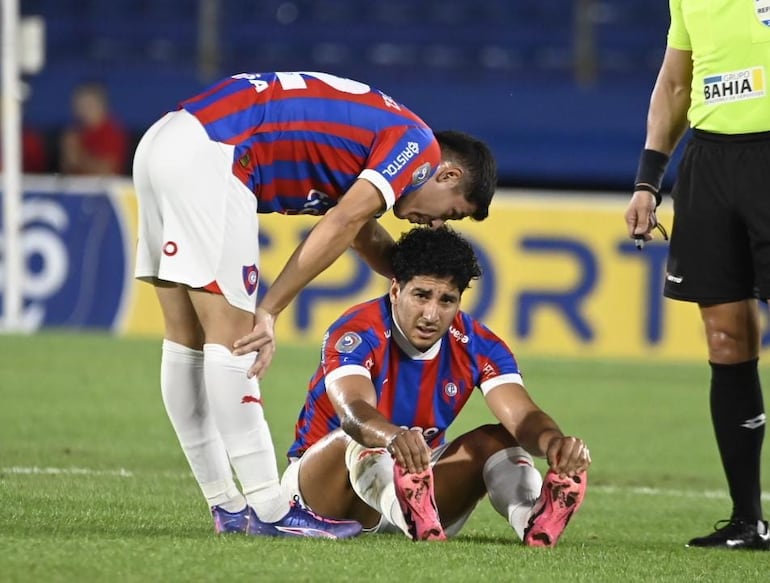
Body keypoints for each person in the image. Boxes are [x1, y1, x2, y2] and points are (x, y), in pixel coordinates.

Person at [132, 71, 497, 536]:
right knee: (235, 339)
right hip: (217, 156)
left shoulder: (378, 140)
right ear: (447, 174)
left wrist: (412, 278)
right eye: (450, 212)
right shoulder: (418, 147)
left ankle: (226, 505)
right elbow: (344, 221)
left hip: (166, 142)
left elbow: (360, 227)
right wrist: (270, 309)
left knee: (187, 339)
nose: (437, 225)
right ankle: (269, 509)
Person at [280, 226, 590, 545]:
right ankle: (413, 518)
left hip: (418, 484)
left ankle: (532, 519)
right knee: (359, 436)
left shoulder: (479, 345)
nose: (432, 314)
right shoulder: (358, 331)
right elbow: (354, 412)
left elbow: (523, 417)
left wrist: (554, 444)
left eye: (446, 300)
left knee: (500, 438)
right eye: (422, 295)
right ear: (396, 290)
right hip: (323, 495)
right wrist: (393, 436)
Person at [624, 1, 770, 550]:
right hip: (710, 164)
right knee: (726, 337)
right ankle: (746, 520)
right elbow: (675, 83)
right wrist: (647, 180)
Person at [59, 82, 129, 175]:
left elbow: (107, 171)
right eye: (80, 106)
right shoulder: (75, 133)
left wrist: (79, 157)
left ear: (102, 105)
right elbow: (67, 170)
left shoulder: (113, 132)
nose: (84, 111)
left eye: (89, 105)